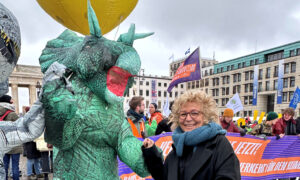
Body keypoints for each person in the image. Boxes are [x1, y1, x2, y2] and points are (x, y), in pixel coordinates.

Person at [142, 90, 241, 180]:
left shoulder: (219, 144)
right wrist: (151, 153)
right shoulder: (179, 145)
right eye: (183, 114)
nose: (188, 119)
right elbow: (164, 177)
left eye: (194, 113)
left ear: (206, 116)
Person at [0, 95, 23, 180]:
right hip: (14, 144)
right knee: (15, 167)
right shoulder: (12, 114)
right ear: (8, 102)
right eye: (11, 99)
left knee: (4, 166)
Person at [23, 107, 43, 180]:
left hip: (36, 141)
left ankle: (38, 173)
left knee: (37, 159)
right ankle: (29, 174)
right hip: (30, 142)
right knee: (30, 159)